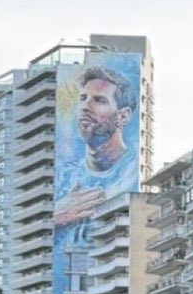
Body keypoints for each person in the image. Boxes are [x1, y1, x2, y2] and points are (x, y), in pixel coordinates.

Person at [53, 66, 138, 232]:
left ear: (123, 116)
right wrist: (56, 217)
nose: (85, 106)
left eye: (99, 100)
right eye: (83, 98)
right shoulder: (64, 175)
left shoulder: (133, 174)